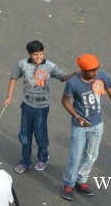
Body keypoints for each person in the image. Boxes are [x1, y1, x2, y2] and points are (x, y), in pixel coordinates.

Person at [60, 54, 111, 201]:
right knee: (76, 157)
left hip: (97, 124)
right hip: (79, 126)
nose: (95, 73)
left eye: (96, 69)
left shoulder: (103, 77)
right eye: (91, 70)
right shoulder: (73, 83)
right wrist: (78, 117)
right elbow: (65, 101)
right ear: (82, 70)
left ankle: (81, 180)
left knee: (92, 155)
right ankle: (69, 184)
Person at [4, 40, 72, 174]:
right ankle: (25, 161)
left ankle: (43, 158)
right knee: (24, 135)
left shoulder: (49, 66)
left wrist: (75, 74)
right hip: (27, 106)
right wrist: (9, 96)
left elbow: (64, 77)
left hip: (42, 108)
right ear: (30, 54)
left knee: (40, 135)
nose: (39, 57)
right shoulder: (22, 64)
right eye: (35, 54)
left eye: (41, 54)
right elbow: (13, 77)